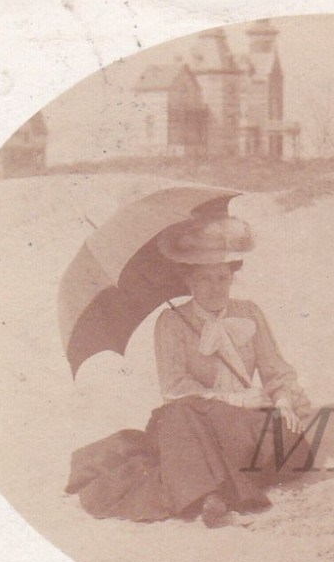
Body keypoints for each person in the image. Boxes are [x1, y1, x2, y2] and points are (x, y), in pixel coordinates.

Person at [66, 214, 314, 527]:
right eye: (204, 279)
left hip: (244, 424)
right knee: (178, 414)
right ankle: (209, 497)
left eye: (222, 278)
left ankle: (211, 480)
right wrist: (235, 400)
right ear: (189, 282)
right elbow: (173, 388)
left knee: (291, 447)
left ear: (231, 278)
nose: (215, 288)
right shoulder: (172, 322)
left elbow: (276, 370)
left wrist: (283, 402)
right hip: (200, 421)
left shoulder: (249, 312)